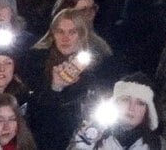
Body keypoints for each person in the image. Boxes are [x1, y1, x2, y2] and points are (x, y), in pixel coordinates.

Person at [24, 8, 115, 150]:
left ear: (82, 35)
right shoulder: (37, 64)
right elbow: (35, 115)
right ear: (53, 34)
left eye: (72, 32)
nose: (65, 38)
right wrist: (55, 87)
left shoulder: (99, 67)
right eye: (60, 32)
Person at [68, 72, 166, 149]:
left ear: (149, 111)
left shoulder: (157, 145)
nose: (131, 108)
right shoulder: (91, 133)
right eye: (125, 99)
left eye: (140, 103)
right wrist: (82, 147)